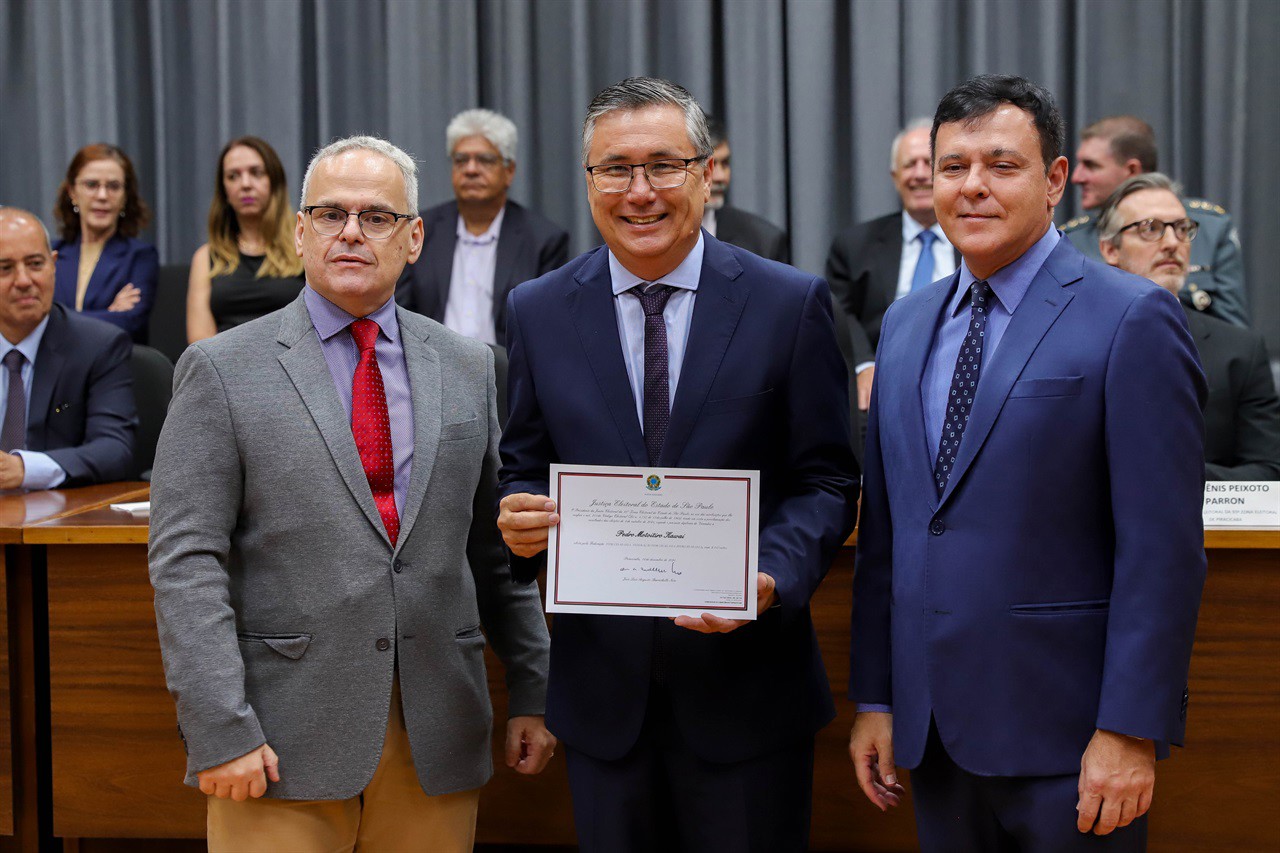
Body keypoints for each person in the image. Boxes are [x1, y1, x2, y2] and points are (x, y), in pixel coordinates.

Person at [149, 135, 553, 853]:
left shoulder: (469, 366)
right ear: (299, 231)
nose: (351, 233)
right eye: (330, 214)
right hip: (276, 744)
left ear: (414, 236)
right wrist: (219, 726)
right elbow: (186, 562)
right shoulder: (220, 369)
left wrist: (533, 686)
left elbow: (498, 550)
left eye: (376, 216)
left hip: (436, 736)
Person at [497, 77, 857, 852]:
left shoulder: (788, 303)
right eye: (614, 169)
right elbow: (523, 464)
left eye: (663, 165)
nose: (640, 192)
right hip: (603, 704)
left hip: (749, 695)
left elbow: (827, 479)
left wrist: (770, 574)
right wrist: (520, 515)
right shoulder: (539, 308)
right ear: (588, 180)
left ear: (704, 171)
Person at [848, 76, 1207, 852]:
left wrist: (1129, 728)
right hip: (932, 734)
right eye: (952, 166)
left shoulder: (1132, 317)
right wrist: (877, 696)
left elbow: (1162, 550)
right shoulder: (905, 324)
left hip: (1071, 742)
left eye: (1002, 165)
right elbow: (892, 536)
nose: (972, 186)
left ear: (1054, 182)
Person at [1097, 173, 1280, 481]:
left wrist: (1174, 478)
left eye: (1182, 229)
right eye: (1150, 229)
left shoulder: (1240, 351)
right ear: (1110, 250)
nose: (1172, 243)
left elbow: (1269, 470)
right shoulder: (1071, 339)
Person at [394, 109, 569, 345]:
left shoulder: (543, 240)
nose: (471, 169)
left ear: (509, 171)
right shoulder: (419, 231)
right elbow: (401, 313)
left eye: (485, 160)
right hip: (431, 366)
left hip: (507, 372)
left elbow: (546, 326)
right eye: (461, 160)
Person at [826, 118, 960, 416]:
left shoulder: (977, 240)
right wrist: (865, 364)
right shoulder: (855, 245)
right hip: (882, 383)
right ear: (895, 176)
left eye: (929, 163)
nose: (920, 174)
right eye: (910, 164)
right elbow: (839, 310)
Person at [1063, 116, 1248, 326]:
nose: (1077, 177)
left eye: (1091, 165)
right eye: (1149, 229)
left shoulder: (1209, 229)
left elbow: (1236, 340)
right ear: (1108, 249)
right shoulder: (1071, 242)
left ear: (1131, 170)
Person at [0, 208, 136, 488]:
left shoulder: (99, 345)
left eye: (35, 264)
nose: (24, 281)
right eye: (5, 268)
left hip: (58, 518)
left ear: (53, 265)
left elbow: (115, 450)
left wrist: (25, 469)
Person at [187, 136, 305, 342]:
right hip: (225, 368)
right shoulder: (205, 257)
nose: (245, 184)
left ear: (274, 181)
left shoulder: (304, 245)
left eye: (256, 173)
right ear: (224, 191)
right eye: (233, 176)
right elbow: (199, 343)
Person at [51, 143, 158, 344]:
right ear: (72, 192)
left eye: (113, 186)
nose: (102, 196)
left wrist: (59, 317)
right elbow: (35, 320)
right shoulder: (51, 254)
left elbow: (129, 322)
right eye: (91, 185)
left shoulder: (141, 256)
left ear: (125, 196)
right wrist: (108, 313)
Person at [702, 114, 790, 263]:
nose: (720, 177)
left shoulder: (764, 242)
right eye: (710, 165)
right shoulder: (654, 233)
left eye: (725, 163)